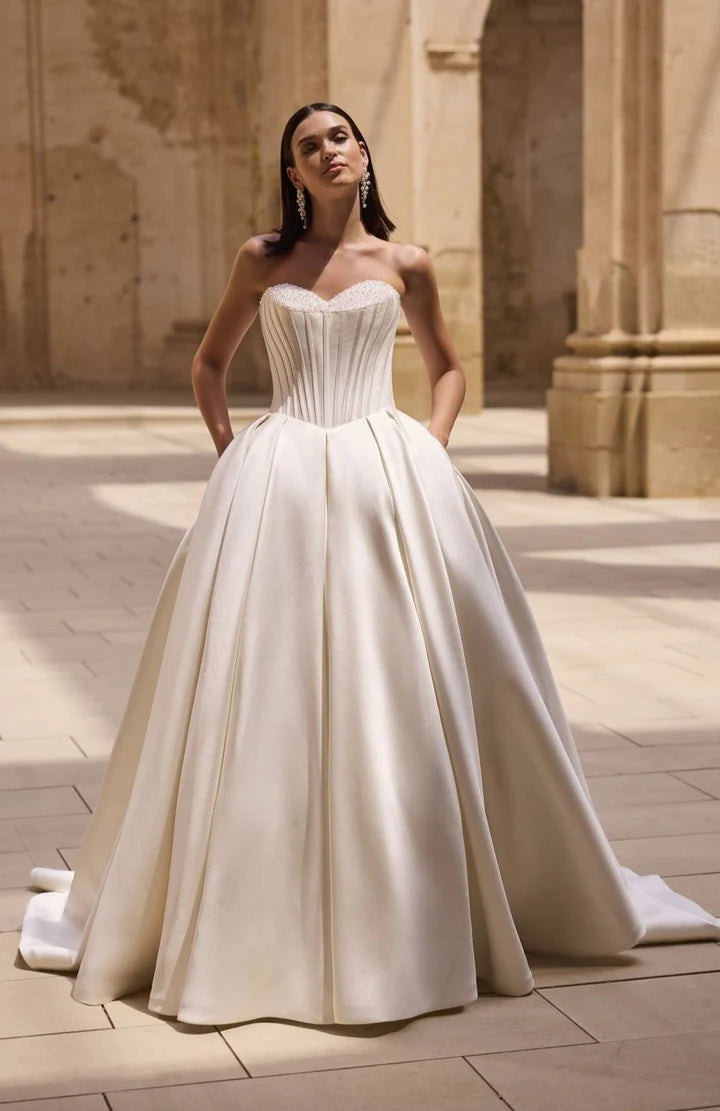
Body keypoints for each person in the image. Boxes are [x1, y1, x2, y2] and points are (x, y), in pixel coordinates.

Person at [17, 102, 720, 1028]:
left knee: (403, 672)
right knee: (266, 679)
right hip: (281, 475)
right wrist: (233, 453)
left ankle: (423, 878)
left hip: (388, 471)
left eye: (339, 136)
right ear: (295, 175)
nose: (328, 151)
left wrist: (426, 446)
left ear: (363, 153)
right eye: (309, 147)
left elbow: (450, 368)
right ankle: (253, 895)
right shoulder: (262, 260)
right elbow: (208, 363)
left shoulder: (408, 263)